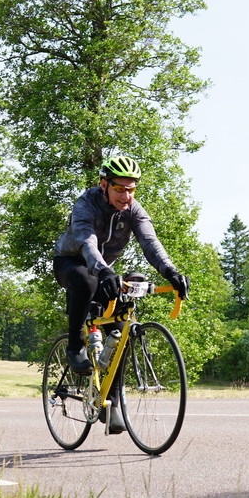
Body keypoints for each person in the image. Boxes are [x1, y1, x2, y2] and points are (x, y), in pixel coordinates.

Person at [52, 156, 189, 433]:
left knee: (120, 326)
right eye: (119, 189)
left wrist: (171, 273)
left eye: (131, 189)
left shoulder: (133, 210)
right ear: (104, 184)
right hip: (71, 262)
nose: (126, 196)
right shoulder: (86, 204)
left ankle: (111, 402)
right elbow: (87, 243)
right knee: (85, 279)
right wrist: (104, 271)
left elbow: (150, 242)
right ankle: (75, 346)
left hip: (103, 268)